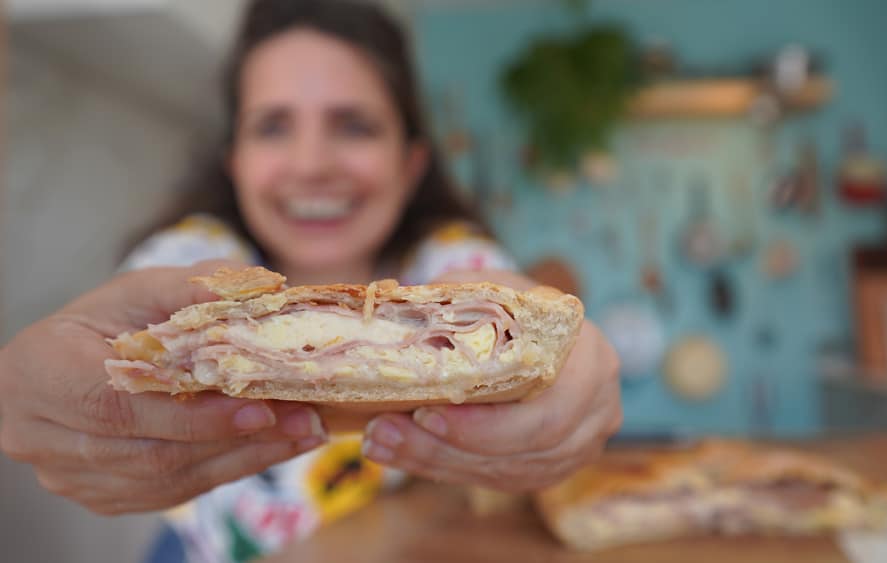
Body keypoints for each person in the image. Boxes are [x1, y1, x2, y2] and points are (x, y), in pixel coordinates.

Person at [0, 1, 622, 561]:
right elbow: (143, 302)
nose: (310, 164)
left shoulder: (445, 262)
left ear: (410, 167)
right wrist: (48, 388)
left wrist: (571, 364)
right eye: (273, 126)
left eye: (353, 124)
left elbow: (502, 291)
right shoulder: (201, 254)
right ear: (235, 162)